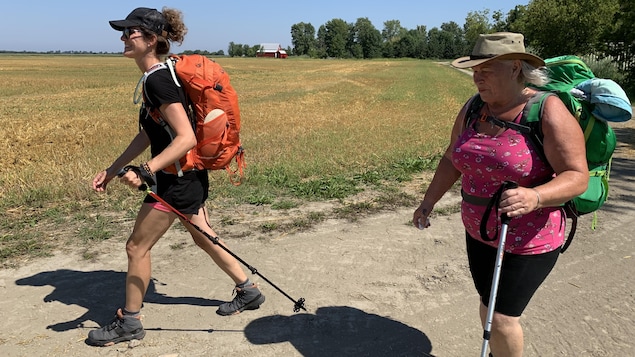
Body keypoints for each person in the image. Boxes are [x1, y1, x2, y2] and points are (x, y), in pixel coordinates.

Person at [88, 7, 264, 346]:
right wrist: (111, 170)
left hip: (177, 180)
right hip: (185, 175)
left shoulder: (157, 79)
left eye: (131, 32)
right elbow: (149, 133)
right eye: (123, 32)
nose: (123, 38)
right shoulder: (158, 75)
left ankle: (130, 323)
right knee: (203, 236)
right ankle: (249, 290)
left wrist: (145, 171)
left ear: (151, 39)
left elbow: (186, 138)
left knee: (136, 246)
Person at [412, 32, 588, 357]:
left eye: (487, 69)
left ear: (515, 68)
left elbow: (577, 177)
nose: (477, 76)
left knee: (502, 316)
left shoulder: (547, 111)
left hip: (530, 239)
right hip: (479, 232)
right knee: (487, 303)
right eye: (475, 69)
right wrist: (428, 201)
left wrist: (534, 197)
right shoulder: (474, 107)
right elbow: (453, 157)